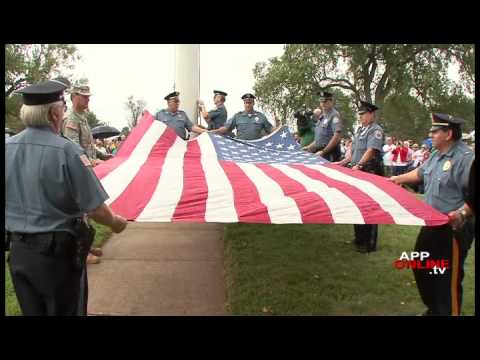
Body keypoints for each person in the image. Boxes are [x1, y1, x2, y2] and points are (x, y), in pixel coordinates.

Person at [5, 79, 128, 316]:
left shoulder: (8, 147)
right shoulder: (67, 151)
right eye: (62, 109)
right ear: (54, 114)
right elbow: (96, 209)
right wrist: (116, 223)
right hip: (57, 255)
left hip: (19, 252)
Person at [390, 113, 474, 316]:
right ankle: (434, 309)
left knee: (446, 277)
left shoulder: (465, 159)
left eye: (435, 131)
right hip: (432, 223)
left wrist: (462, 213)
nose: (430, 134)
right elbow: (420, 173)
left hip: (453, 228)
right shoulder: (436, 154)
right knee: (421, 265)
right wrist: (396, 179)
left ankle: (447, 311)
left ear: (448, 134)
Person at [62, 85, 107, 264]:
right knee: (81, 212)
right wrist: (91, 160)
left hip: (87, 168)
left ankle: (87, 246)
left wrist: (103, 155)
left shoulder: (83, 118)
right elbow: (73, 147)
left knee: (88, 210)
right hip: (79, 170)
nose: (88, 99)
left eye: (89, 97)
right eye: (84, 96)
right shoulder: (71, 119)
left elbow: (89, 144)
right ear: (74, 97)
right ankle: (82, 251)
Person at [350, 100, 384, 253]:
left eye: (363, 114)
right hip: (358, 171)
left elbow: (371, 150)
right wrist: (345, 162)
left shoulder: (375, 130)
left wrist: (359, 165)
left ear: (371, 114)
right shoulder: (359, 131)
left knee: (370, 207)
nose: (361, 117)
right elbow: (354, 151)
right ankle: (359, 238)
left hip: (369, 171)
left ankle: (369, 244)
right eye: (360, 114)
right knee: (357, 205)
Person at [303, 91, 343, 161]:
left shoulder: (334, 115)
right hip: (320, 152)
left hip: (330, 153)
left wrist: (324, 151)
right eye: (321, 102)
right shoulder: (322, 116)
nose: (322, 104)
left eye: (325, 101)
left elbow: (337, 136)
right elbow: (320, 139)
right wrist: (309, 147)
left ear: (331, 102)